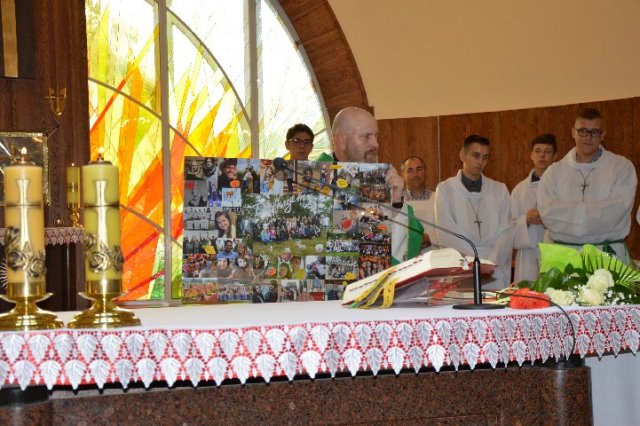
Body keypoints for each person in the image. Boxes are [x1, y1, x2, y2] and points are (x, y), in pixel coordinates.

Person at [537, 108, 637, 262]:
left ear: (603, 135)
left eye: (594, 132)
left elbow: (615, 212)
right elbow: (547, 213)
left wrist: (566, 213)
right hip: (563, 255)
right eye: (582, 131)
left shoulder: (621, 167)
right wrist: (595, 212)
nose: (588, 137)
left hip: (606, 255)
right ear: (573, 132)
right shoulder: (554, 172)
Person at [316, 106, 411, 263]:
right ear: (341, 140)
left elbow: (394, 253)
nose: (376, 144)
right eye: (366, 136)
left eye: (376, 136)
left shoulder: (383, 180)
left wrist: (395, 204)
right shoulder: (312, 181)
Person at [434, 135, 514, 289]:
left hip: (494, 268)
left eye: (485, 157)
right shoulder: (445, 190)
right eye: (476, 156)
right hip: (463, 268)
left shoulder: (499, 190)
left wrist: (490, 262)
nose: (480, 162)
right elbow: (446, 233)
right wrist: (474, 263)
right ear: (462, 155)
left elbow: (507, 231)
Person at [510, 134, 557, 282]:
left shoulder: (561, 186)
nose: (542, 155)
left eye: (547, 151)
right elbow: (509, 226)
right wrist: (526, 219)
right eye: (537, 151)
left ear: (555, 156)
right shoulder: (519, 190)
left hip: (555, 250)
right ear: (531, 155)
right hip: (528, 255)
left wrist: (548, 218)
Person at [401, 155, 437, 254]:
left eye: (419, 169)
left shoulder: (438, 199)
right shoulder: (396, 202)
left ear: (425, 172)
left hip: (434, 256)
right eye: (410, 170)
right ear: (403, 175)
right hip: (405, 258)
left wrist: (431, 238)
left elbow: (446, 229)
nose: (415, 174)